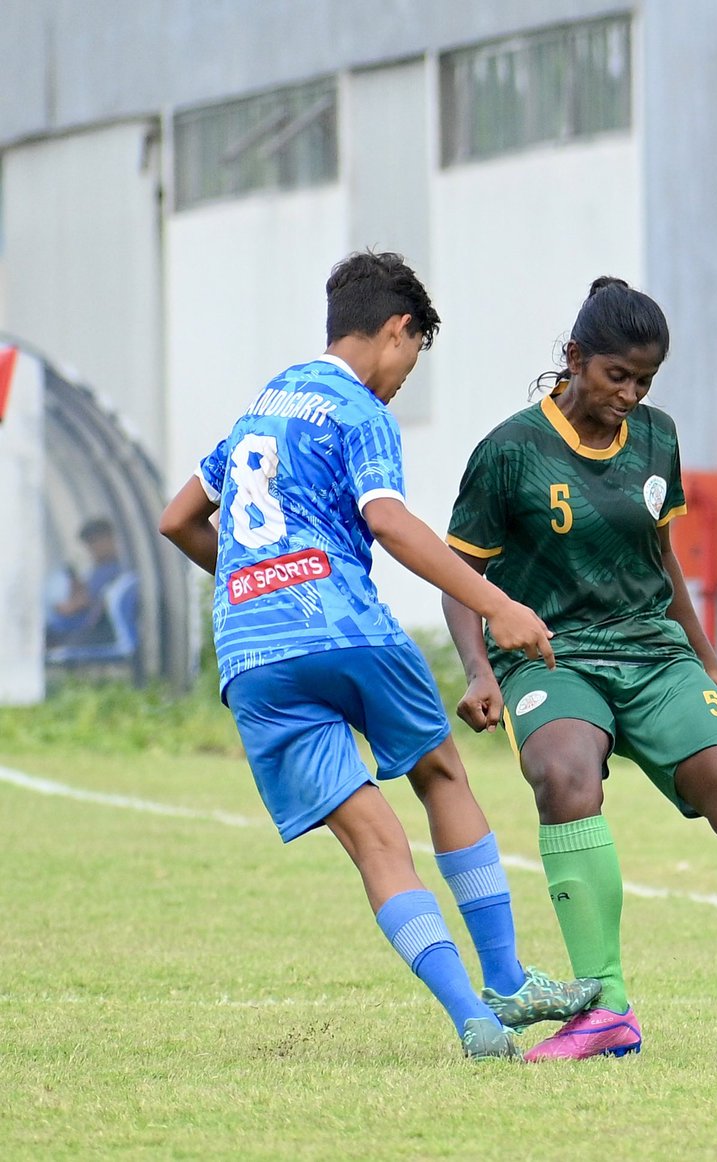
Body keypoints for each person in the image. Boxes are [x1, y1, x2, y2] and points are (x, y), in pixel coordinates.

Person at [158, 251, 600, 1061]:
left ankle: (472, 1020)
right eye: (412, 357)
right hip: (340, 624)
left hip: (252, 651)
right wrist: (496, 603)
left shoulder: (261, 409)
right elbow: (389, 521)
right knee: (439, 775)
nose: (404, 379)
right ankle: (505, 978)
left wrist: (249, 580)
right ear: (397, 329)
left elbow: (179, 518)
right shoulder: (358, 412)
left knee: (376, 845)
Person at [442, 277, 717, 1062]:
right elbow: (461, 572)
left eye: (644, 381)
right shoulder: (509, 450)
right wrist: (479, 670)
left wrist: (710, 662)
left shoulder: (658, 437)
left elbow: (662, 556)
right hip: (551, 655)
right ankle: (605, 1012)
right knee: (564, 776)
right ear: (575, 358)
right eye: (615, 376)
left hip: (653, 653)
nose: (629, 394)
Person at [45, 517, 125, 648]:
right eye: (89, 543)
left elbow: (76, 605)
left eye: (93, 542)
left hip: (89, 633)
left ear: (108, 538)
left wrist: (59, 606)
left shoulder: (112, 571)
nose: (91, 548)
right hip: (80, 629)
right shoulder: (99, 569)